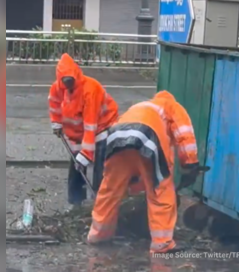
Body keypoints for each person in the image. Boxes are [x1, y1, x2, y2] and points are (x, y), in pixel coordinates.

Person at [87, 91, 204, 253]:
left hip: (117, 136)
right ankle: (161, 243)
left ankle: (98, 235)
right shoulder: (172, 106)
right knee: (161, 190)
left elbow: (135, 163)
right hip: (146, 135)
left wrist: (135, 185)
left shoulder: (141, 107)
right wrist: (190, 163)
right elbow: (184, 134)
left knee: (110, 189)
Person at [48, 53, 119, 209]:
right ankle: (76, 201)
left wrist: (86, 154)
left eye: (70, 81)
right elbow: (54, 103)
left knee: (100, 167)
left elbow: (90, 126)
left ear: (76, 75)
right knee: (76, 165)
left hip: (102, 126)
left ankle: (101, 203)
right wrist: (56, 122)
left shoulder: (90, 90)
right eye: (65, 82)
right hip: (76, 133)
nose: (68, 85)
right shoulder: (58, 87)